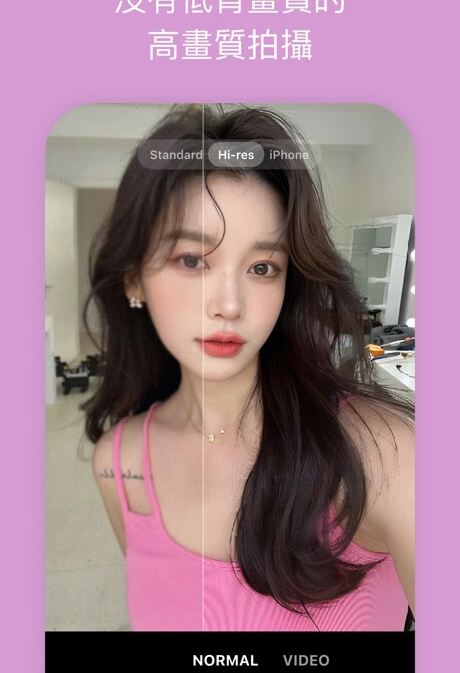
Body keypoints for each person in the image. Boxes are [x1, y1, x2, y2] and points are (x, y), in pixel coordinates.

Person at [83, 103, 414, 632]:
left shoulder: (382, 454)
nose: (229, 305)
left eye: (262, 267)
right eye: (193, 260)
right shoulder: (120, 464)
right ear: (134, 279)